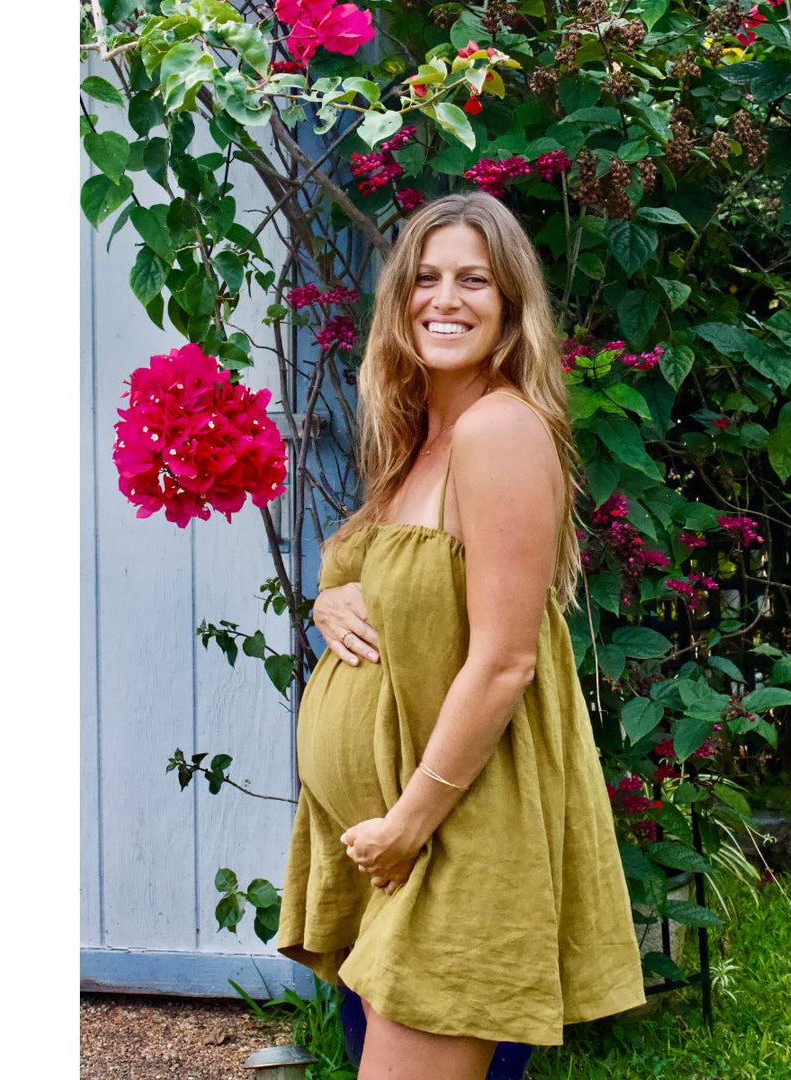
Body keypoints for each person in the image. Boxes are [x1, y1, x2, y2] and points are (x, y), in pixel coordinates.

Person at [275, 192, 646, 1080]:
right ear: (399, 300)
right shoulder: (422, 439)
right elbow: (388, 578)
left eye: (474, 280)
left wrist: (408, 822)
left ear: (511, 306)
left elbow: (507, 660)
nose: (446, 299)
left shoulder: (500, 430)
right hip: (393, 842)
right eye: (426, 278)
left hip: (450, 834)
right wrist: (330, 601)